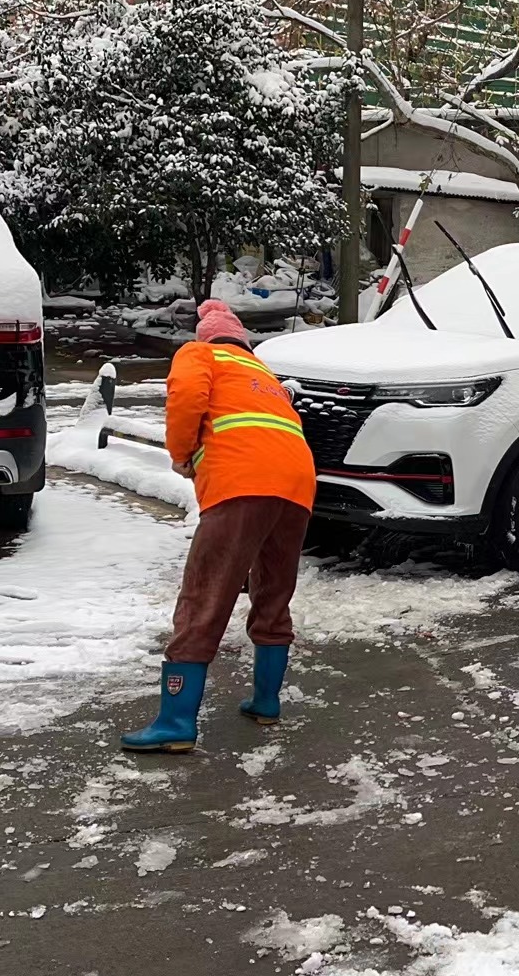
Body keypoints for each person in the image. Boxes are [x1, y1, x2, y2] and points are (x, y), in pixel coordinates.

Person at [122, 299, 317, 753]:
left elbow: (187, 398)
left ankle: (175, 722)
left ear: (205, 335)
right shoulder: (262, 375)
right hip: (297, 487)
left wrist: (180, 454)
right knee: (273, 591)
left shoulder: (201, 354)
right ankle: (266, 702)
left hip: (241, 483)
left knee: (205, 594)